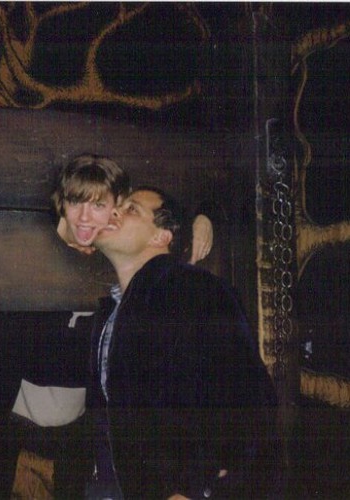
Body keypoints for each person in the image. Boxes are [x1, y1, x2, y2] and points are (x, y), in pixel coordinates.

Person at [0, 155, 214, 498]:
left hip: (79, 403)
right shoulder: (26, 239)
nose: (85, 218)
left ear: (116, 208)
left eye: (99, 205)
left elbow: (182, 216)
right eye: (76, 203)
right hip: (15, 391)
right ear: (61, 202)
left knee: (75, 479)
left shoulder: (121, 250)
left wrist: (202, 218)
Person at [86, 187, 280, 499]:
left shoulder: (193, 288)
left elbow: (244, 394)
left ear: (161, 236)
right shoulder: (111, 314)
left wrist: (192, 486)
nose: (113, 212)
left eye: (131, 209)